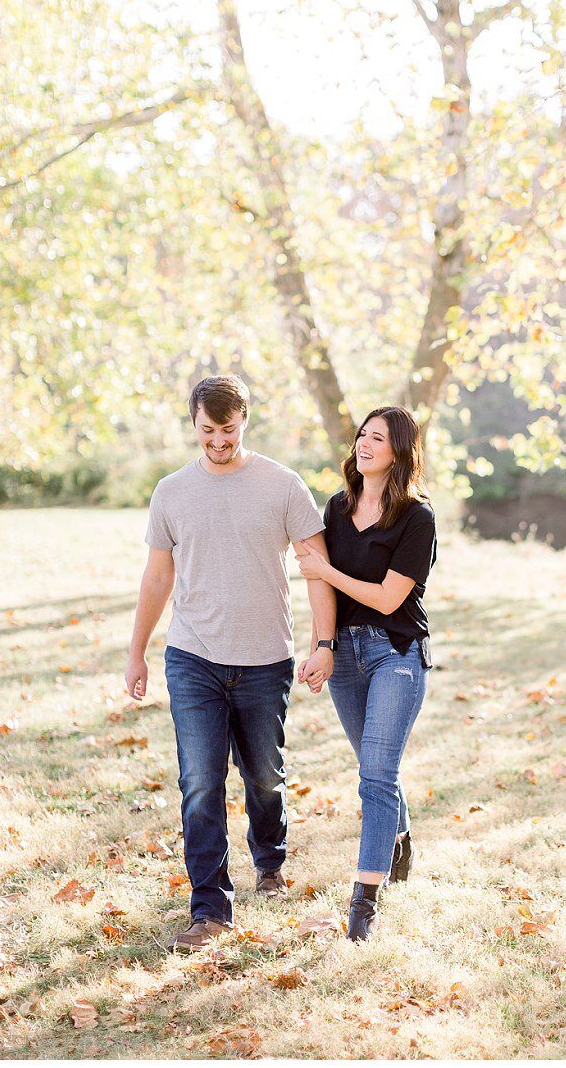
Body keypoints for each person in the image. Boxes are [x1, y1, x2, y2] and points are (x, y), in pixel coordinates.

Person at [125, 375, 337, 952]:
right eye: (208, 430)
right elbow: (158, 576)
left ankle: (270, 861)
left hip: (265, 658)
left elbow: (315, 565)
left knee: (264, 776)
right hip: (192, 656)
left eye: (229, 429)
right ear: (193, 423)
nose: (219, 441)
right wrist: (137, 650)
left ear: (246, 420)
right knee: (200, 782)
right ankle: (211, 908)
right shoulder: (171, 491)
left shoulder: (282, 485)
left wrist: (324, 643)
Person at [292, 406, 437, 942]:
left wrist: (325, 567)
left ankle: (364, 902)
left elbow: (386, 596)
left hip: (395, 652)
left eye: (379, 438)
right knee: (376, 769)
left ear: (400, 452)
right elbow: (322, 592)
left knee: (375, 777)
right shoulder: (337, 507)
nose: (365, 444)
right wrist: (320, 648)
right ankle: (398, 835)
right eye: (362, 435)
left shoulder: (417, 518)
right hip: (346, 659)